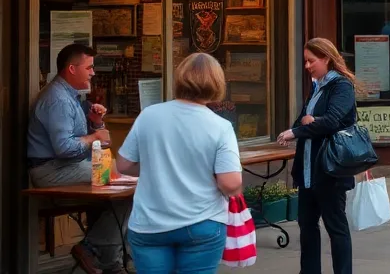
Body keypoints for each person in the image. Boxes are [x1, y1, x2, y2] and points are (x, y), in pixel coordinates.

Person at [116, 53, 243, 274]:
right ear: (217, 83)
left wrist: (156, 166)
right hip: (202, 221)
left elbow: (124, 165)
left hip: (149, 223)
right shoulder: (220, 126)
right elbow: (230, 183)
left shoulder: (148, 115)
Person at [27, 44, 126, 274]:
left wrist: (96, 123)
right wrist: (94, 136)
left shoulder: (72, 97)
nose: (93, 72)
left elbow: (104, 142)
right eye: (89, 67)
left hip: (69, 166)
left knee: (120, 186)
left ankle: (109, 260)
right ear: (72, 69)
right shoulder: (58, 100)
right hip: (52, 170)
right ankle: (92, 249)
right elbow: (64, 148)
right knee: (122, 187)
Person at [276, 38, 358, 274]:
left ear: (326, 59)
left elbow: (331, 121)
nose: (307, 66)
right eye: (305, 61)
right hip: (307, 171)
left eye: (311, 61)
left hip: (330, 170)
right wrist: (303, 125)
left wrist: (300, 130)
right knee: (307, 226)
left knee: (336, 227)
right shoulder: (317, 87)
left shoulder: (342, 86)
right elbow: (303, 119)